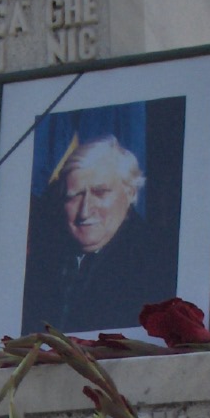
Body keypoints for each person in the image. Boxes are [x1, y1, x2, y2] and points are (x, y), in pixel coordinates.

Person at [20, 134, 170, 335]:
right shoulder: (44, 259)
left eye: (100, 193)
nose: (84, 212)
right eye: (74, 196)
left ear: (131, 193)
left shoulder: (158, 263)